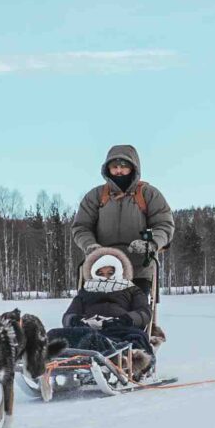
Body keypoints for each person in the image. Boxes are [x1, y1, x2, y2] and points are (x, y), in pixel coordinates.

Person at [68, 143, 174, 284]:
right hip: (103, 270)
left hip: (139, 270)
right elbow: (81, 227)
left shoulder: (149, 194)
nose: (119, 170)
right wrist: (90, 245)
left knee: (138, 306)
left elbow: (164, 225)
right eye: (114, 166)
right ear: (108, 169)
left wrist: (151, 244)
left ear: (133, 168)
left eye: (124, 166)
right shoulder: (95, 196)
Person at [59, 246, 156, 380]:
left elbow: (144, 312)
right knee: (54, 334)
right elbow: (68, 315)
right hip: (88, 328)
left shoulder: (132, 290)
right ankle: (51, 361)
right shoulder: (85, 292)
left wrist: (125, 319)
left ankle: (119, 359)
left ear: (119, 272)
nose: (105, 277)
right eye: (101, 273)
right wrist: (76, 320)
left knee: (137, 337)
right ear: (94, 273)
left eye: (110, 273)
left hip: (119, 328)